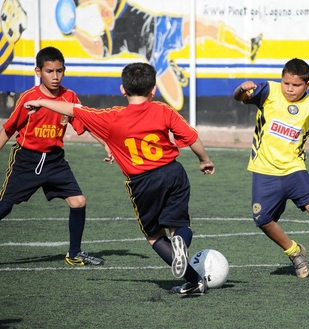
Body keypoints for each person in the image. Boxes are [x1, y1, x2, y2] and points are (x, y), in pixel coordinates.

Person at [25, 62, 215, 295]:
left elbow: (72, 109)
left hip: (143, 183)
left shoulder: (111, 117)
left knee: (154, 236)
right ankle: (184, 251)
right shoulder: (164, 110)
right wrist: (204, 160)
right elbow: (192, 137)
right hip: (173, 173)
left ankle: (192, 278)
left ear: (122, 89)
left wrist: (41, 101)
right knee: (180, 226)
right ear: (153, 90)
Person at [233, 58, 309, 278]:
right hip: (264, 169)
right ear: (282, 79)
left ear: (308, 85)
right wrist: (242, 89)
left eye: (296, 85)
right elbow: (240, 98)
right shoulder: (269, 90)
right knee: (263, 220)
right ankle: (295, 252)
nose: (289, 89)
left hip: (294, 168)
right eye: (286, 83)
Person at [0, 46, 104, 266]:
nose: (55, 76)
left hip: (55, 160)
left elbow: (85, 123)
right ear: (39, 72)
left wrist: (106, 144)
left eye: (59, 71)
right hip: (27, 160)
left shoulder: (69, 97)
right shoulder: (29, 97)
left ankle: (74, 254)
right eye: (49, 71)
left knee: (78, 202)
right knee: (5, 206)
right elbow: (8, 129)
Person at [56, 0, 263, 110]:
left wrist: (75, 3)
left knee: (206, 26)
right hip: (154, 55)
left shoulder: (115, 5)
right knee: (176, 99)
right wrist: (74, 31)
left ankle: (248, 47)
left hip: (163, 27)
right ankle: (170, 67)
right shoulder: (112, 40)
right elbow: (95, 48)